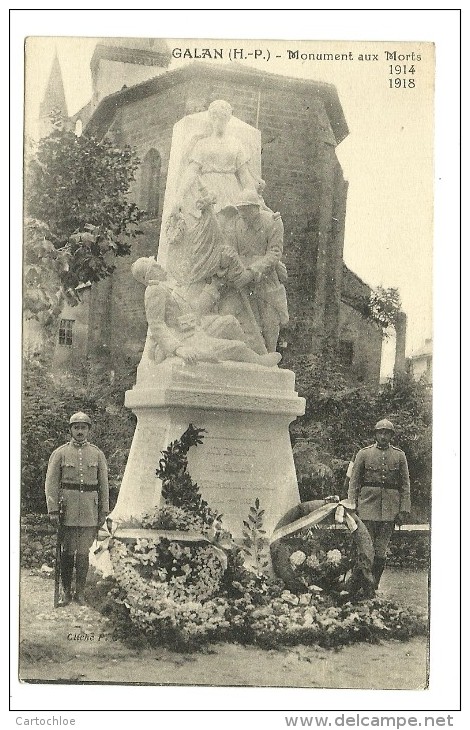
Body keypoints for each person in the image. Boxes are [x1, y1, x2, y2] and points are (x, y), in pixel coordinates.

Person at [132, 256, 281, 367]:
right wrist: (179, 349)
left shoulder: (170, 287)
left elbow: (192, 311)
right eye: (156, 267)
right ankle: (258, 362)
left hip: (195, 330)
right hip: (184, 339)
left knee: (229, 322)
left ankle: (253, 357)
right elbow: (156, 325)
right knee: (237, 347)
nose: (161, 267)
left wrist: (213, 286)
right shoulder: (154, 290)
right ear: (148, 276)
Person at [45, 412, 109, 606]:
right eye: (76, 427)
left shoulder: (97, 454)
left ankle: (79, 592)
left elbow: (104, 485)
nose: (80, 431)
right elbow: (51, 483)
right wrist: (53, 510)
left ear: (89, 430)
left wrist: (103, 511)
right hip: (68, 511)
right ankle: (66, 591)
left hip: (90, 510)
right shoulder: (60, 453)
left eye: (83, 427)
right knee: (68, 552)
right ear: (70, 430)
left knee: (83, 553)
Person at [218, 188, 289, 354]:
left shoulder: (273, 222)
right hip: (241, 280)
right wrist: (236, 270)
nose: (242, 213)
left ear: (256, 208)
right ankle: (253, 357)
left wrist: (251, 272)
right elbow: (231, 250)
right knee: (243, 320)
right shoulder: (235, 224)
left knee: (270, 321)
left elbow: (274, 253)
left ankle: (270, 358)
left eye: (246, 209)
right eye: (240, 209)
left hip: (265, 278)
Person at [347, 419, 411, 589]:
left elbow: (405, 484)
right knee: (366, 548)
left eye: (387, 433)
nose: (383, 436)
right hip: (367, 507)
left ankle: (372, 587)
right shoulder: (364, 454)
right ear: (375, 434)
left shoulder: (399, 455)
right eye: (380, 432)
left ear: (391, 435)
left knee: (381, 550)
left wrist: (404, 509)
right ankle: (359, 586)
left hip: (390, 510)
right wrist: (351, 506)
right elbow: (354, 482)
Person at [173, 99, 259, 216]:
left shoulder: (236, 144)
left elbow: (244, 176)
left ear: (228, 119)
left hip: (231, 191)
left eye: (223, 117)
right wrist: (179, 196)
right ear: (211, 119)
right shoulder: (202, 144)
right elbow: (191, 171)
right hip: (208, 189)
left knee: (230, 225)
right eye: (215, 117)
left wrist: (254, 199)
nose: (218, 121)